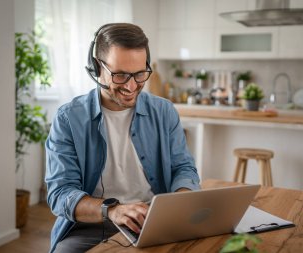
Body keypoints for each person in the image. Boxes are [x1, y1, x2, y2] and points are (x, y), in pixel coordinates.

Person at [45, 23, 200, 253]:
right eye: (120, 75)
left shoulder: (164, 112)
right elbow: (60, 194)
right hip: (92, 225)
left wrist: (179, 203)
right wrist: (113, 210)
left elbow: (183, 168)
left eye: (139, 74)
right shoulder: (68, 119)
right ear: (97, 68)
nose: (131, 86)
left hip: (153, 221)